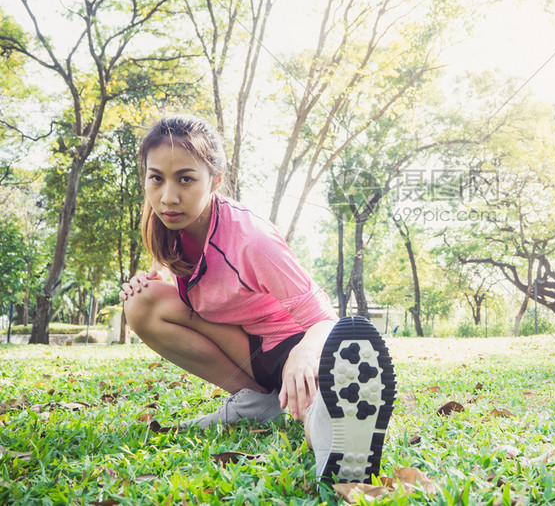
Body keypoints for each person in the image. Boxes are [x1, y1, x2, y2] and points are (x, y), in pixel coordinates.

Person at [119, 114, 395, 483]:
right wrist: (153, 278)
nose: (168, 196)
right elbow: (198, 276)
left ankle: (337, 446)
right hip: (248, 347)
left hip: (291, 343)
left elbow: (324, 317)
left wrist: (302, 355)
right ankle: (256, 402)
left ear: (215, 180)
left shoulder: (252, 240)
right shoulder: (164, 222)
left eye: (186, 178)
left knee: (311, 407)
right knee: (142, 302)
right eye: (157, 178)